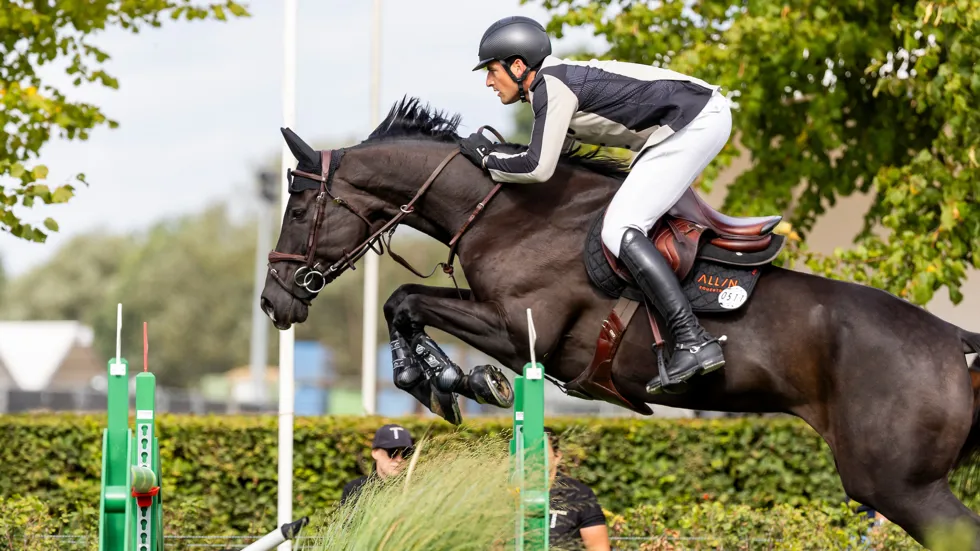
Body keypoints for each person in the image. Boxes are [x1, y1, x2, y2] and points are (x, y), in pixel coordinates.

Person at [460, 16, 731, 394]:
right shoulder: (550, 90)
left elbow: (537, 168)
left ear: (518, 66)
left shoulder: (551, 87)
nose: (489, 81)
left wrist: (486, 160)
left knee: (621, 227)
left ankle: (691, 339)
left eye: (492, 71)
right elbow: (554, 159)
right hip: (693, 119)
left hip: (695, 121)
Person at [544, 427, 610, 550]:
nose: (533, 457)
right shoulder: (508, 491)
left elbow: (599, 548)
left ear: (557, 457)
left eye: (541, 452)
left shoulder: (578, 494)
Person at [339, 423, 414, 506]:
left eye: (406, 453)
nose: (399, 459)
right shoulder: (355, 489)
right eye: (393, 452)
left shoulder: (415, 489)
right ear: (375, 453)